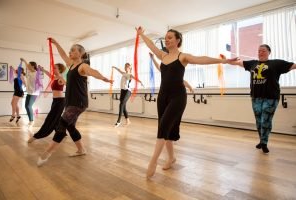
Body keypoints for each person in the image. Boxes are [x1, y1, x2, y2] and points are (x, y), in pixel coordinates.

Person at [136, 27, 234, 178]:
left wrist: (224, 60)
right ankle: (171, 158)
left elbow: (202, 59)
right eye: (165, 37)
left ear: (177, 40)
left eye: (170, 37)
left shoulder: (183, 57)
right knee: (166, 128)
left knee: (163, 126)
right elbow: (150, 45)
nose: (166, 40)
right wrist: (141, 34)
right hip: (163, 96)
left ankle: (153, 161)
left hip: (178, 97)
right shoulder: (162, 56)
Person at [37, 38, 113, 166]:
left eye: (73, 50)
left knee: (62, 124)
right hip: (71, 101)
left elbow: (92, 72)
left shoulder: (82, 66)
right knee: (70, 126)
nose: (70, 52)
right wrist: (56, 43)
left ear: (80, 53)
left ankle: (47, 153)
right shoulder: (71, 65)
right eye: (70, 50)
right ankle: (81, 149)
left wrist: (103, 78)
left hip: (79, 102)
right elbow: (62, 54)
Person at [227, 44, 296, 154]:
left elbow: (293, 66)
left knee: (265, 120)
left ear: (269, 52)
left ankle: (264, 142)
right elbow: (237, 63)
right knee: (259, 121)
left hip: (271, 97)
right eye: (259, 51)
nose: (261, 53)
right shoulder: (252, 63)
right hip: (256, 97)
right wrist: (225, 60)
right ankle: (261, 140)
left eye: (263, 51)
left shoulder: (276, 63)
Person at [28, 63, 66, 143]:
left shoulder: (60, 78)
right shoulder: (55, 78)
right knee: (57, 118)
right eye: (53, 68)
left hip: (60, 101)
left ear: (60, 69)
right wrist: (43, 69)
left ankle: (37, 136)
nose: (53, 69)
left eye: (55, 68)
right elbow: (49, 74)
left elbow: (68, 85)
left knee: (49, 119)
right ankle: (61, 132)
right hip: (55, 101)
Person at [20, 58, 40, 127]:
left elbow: (39, 83)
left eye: (29, 66)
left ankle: (31, 121)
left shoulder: (37, 73)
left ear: (33, 66)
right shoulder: (29, 72)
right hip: (29, 92)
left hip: (34, 93)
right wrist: (24, 60)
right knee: (26, 106)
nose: (27, 67)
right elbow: (27, 66)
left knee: (28, 106)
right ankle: (30, 120)